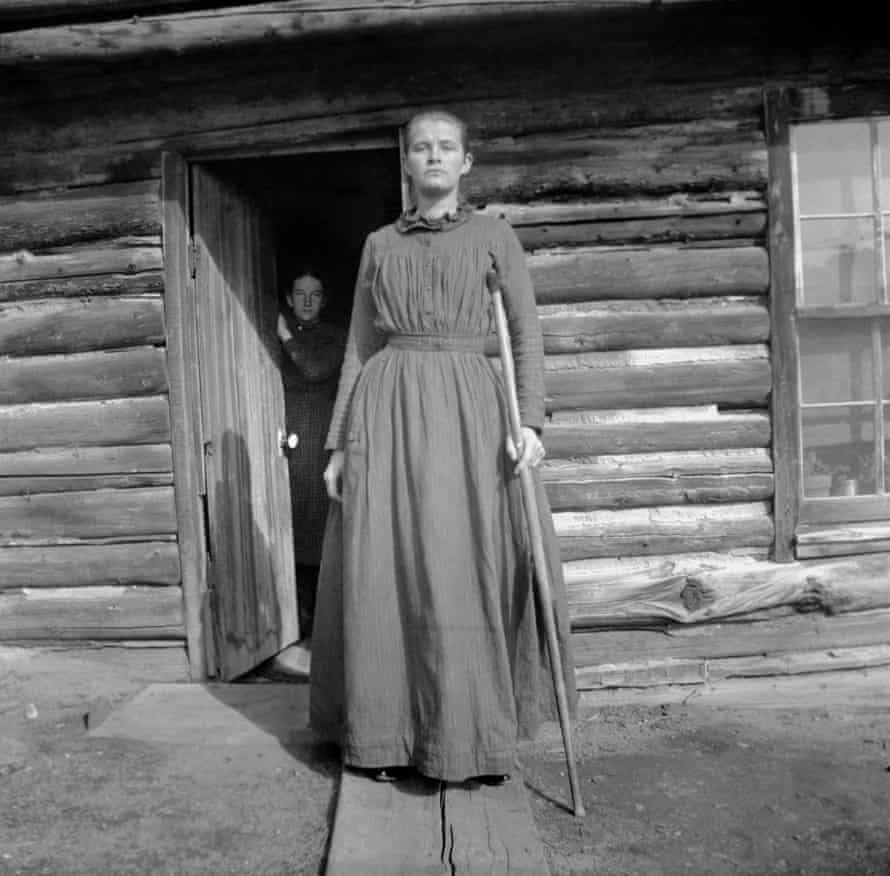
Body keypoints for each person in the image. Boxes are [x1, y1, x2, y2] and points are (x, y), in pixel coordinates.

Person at [309, 109, 576, 784]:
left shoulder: (494, 238)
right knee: (387, 566)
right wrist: (339, 444)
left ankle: (476, 736)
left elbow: (525, 334)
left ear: (466, 162)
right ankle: (385, 735)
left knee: (471, 565)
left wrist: (533, 425)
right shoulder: (379, 244)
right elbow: (360, 345)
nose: (433, 156)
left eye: (445, 147)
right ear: (405, 162)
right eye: (421, 148)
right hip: (388, 405)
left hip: (472, 413)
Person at [276, 267, 346, 648]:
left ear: (323, 300)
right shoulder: (274, 339)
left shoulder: (336, 338)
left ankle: (323, 629)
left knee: (320, 531)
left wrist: (285, 335)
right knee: (287, 527)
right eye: (299, 294)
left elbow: (314, 368)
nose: (306, 301)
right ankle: (292, 625)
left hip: (321, 445)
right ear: (289, 298)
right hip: (286, 444)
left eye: (314, 294)